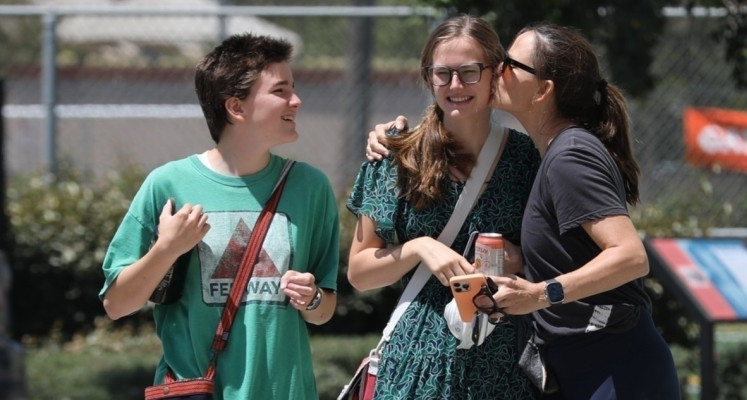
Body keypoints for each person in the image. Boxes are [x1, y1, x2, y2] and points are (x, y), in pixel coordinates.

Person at [369, 22, 680, 400]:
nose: (498, 69)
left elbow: (630, 256)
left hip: (612, 366)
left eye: (511, 64)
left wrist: (541, 293)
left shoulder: (569, 154)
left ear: (543, 90)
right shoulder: (551, 153)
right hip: (590, 365)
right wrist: (523, 259)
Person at [99, 34, 340, 400]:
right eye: (280, 91)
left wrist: (312, 299)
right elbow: (117, 304)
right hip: (198, 390)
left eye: (294, 88)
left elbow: (324, 311)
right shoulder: (168, 184)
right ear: (236, 108)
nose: (297, 100)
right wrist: (167, 248)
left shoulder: (310, 187)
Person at [347, 14, 540, 400]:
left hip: (502, 363)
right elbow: (360, 272)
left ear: (494, 75)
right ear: (427, 77)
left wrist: (517, 258)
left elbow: (559, 258)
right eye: (442, 73)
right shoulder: (396, 155)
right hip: (415, 364)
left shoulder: (528, 158)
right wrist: (421, 247)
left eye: (469, 72)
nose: (455, 85)